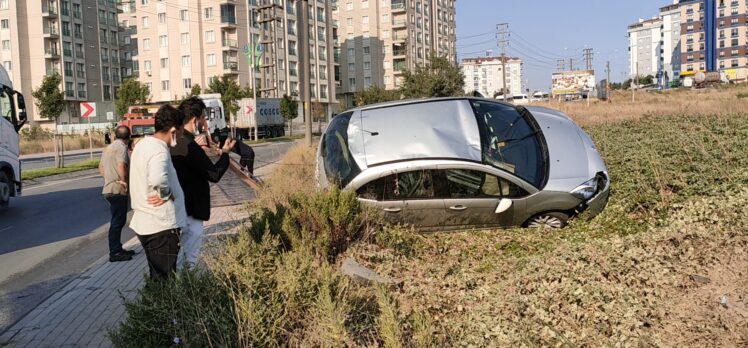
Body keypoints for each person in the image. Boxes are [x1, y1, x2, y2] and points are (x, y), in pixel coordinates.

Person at [171, 97, 236, 270]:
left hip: (176, 209)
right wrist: (225, 154)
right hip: (191, 210)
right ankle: (185, 292)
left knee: (176, 260)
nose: (204, 123)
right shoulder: (188, 145)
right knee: (188, 261)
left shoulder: (172, 142)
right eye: (203, 119)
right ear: (194, 120)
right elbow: (213, 174)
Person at [129, 105, 186, 281]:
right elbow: (157, 178)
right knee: (165, 281)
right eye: (182, 130)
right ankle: (163, 309)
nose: (183, 135)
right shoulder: (159, 150)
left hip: (147, 223)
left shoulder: (143, 145)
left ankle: (152, 307)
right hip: (161, 227)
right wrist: (166, 194)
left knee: (158, 278)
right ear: (174, 130)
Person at [99, 126, 135, 262]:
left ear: (115, 135)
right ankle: (115, 252)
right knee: (117, 221)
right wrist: (123, 181)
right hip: (117, 189)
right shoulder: (121, 148)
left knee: (117, 220)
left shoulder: (108, 148)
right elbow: (121, 165)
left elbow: (101, 168)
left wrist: (108, 179)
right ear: (128, 138)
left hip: (108, 188)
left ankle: (118, 248)